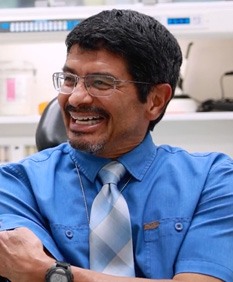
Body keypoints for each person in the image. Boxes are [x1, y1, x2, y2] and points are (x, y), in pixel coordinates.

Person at [0, 8, 233, 282]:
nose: (75, 98)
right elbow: (21, 267)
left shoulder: (213, 179)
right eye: (69, 79)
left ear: (156, 100)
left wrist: (54, 275)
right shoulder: (17, 183)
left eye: (100, 82)